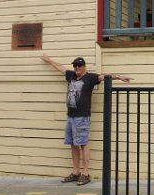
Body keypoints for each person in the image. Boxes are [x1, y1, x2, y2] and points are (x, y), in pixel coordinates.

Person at [40, 53, 133, 185]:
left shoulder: (90, 78)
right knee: (73, 144)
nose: (77, 67)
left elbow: (105, 76)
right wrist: (49, 60)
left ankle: (85, 173)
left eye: (79, 65)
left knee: (83, 143)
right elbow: (60, 68)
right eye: (75, 65)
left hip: (82, 117)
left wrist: (120, 77)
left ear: (84, 66)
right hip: (71, 116)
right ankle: (76, 172)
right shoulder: (71, 75)